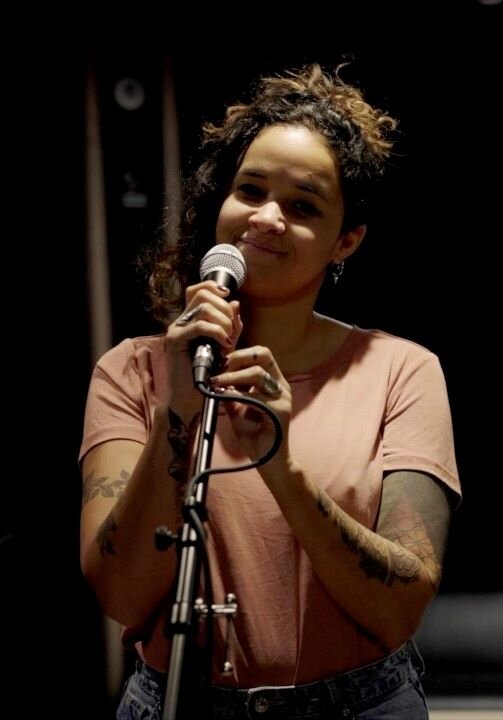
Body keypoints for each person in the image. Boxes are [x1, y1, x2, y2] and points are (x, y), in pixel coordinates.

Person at [79, 62, 461, 719]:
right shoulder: (132, 370)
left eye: (302, 205)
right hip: (177, 702)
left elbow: (399, 603)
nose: (266, 217)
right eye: (249, 189)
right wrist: (178, 410)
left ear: (346, 240)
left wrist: (281, 468)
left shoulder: (400, 369)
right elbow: (119, 592)